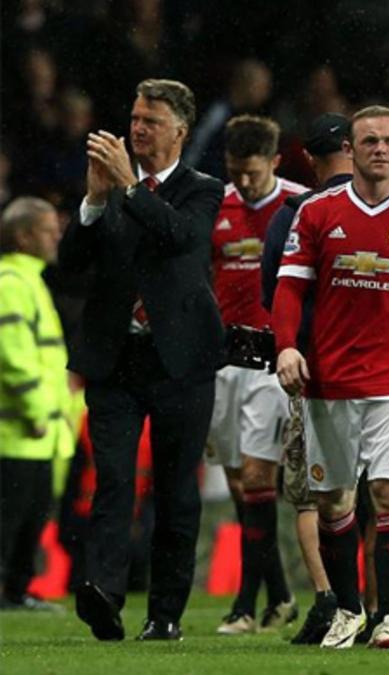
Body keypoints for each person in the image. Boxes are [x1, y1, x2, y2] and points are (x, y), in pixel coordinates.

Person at [272, 105, 389, 651]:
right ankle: (348, 612)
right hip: (328, 382)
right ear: (350, 150)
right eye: (369, 140)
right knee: (334, 504)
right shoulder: (317, 214)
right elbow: (289, 290)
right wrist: (286, 347)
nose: (379, 149)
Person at [60, 79, 224, 642]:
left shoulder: (203, 189)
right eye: (134, 118)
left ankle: (165, 614)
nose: (136, 129)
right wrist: (92, 202)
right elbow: (70, 264)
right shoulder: (110, 190)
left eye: (150, 121)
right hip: (115, 357)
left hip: (181, 360)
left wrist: (128, 189)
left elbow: (181, 238)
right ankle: (103, 593)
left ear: (180, 130)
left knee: (177, 490)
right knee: (112, 480)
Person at [207, 115, 306, 635]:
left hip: (271, 360)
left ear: (274, 162)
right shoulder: (214, 205)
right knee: (238, 485)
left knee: (257, 477)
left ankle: (245, 604)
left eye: (252, 172)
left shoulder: (299, 206)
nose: (243, 182)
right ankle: (282, 597)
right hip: (223, 361)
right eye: (235, 172)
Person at [259, 112, 353, 646]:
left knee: (314, 493)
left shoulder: (293, 214)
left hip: (312, 370)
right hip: (386, 372)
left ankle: (331, 599)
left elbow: (275, 294)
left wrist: (290, 346)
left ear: (308, 160)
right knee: (387, 494)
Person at [0, 196, 73, 613]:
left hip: (39, 430)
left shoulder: (29, 280)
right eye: (49, 230)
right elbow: (12, 353)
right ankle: (9, 591)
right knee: (12, 519)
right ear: (24, 236)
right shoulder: (12, 283)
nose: (57, 236)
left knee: (28, 518)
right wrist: (33, 409)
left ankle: (16, 591)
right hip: (20, 430)